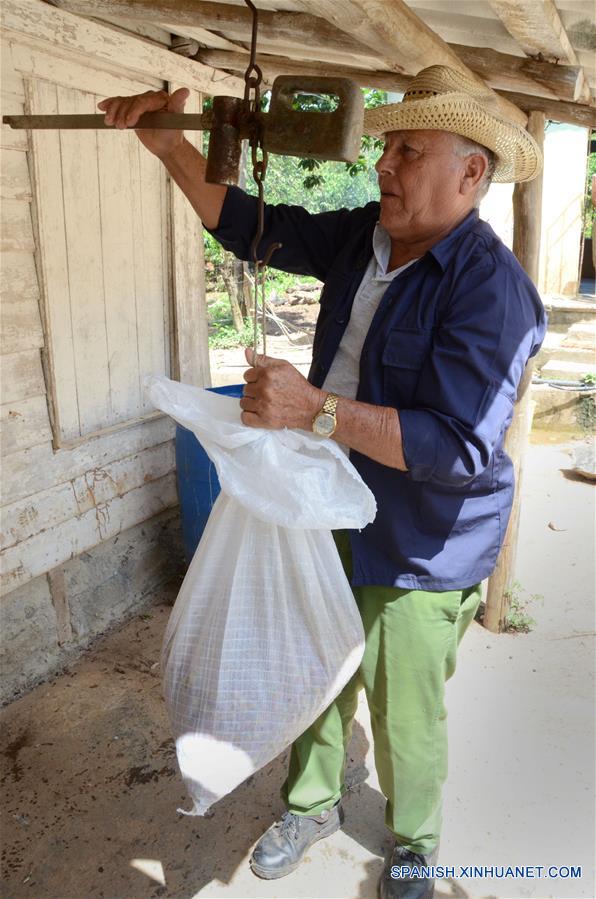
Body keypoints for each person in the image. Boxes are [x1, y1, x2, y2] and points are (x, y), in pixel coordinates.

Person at [99, 65, 547, 899]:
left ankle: (413, 842)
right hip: (326, 498)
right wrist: (170, 148)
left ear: (470, 172)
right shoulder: (363, 237)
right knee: (304, 657)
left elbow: (456, 448)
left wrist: (317, 410)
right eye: (387, 148)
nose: (384, 165)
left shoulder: (495, 293)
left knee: (404, 707)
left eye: (409, 151)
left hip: (422, 537)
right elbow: (254, 227)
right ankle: (310, 803)